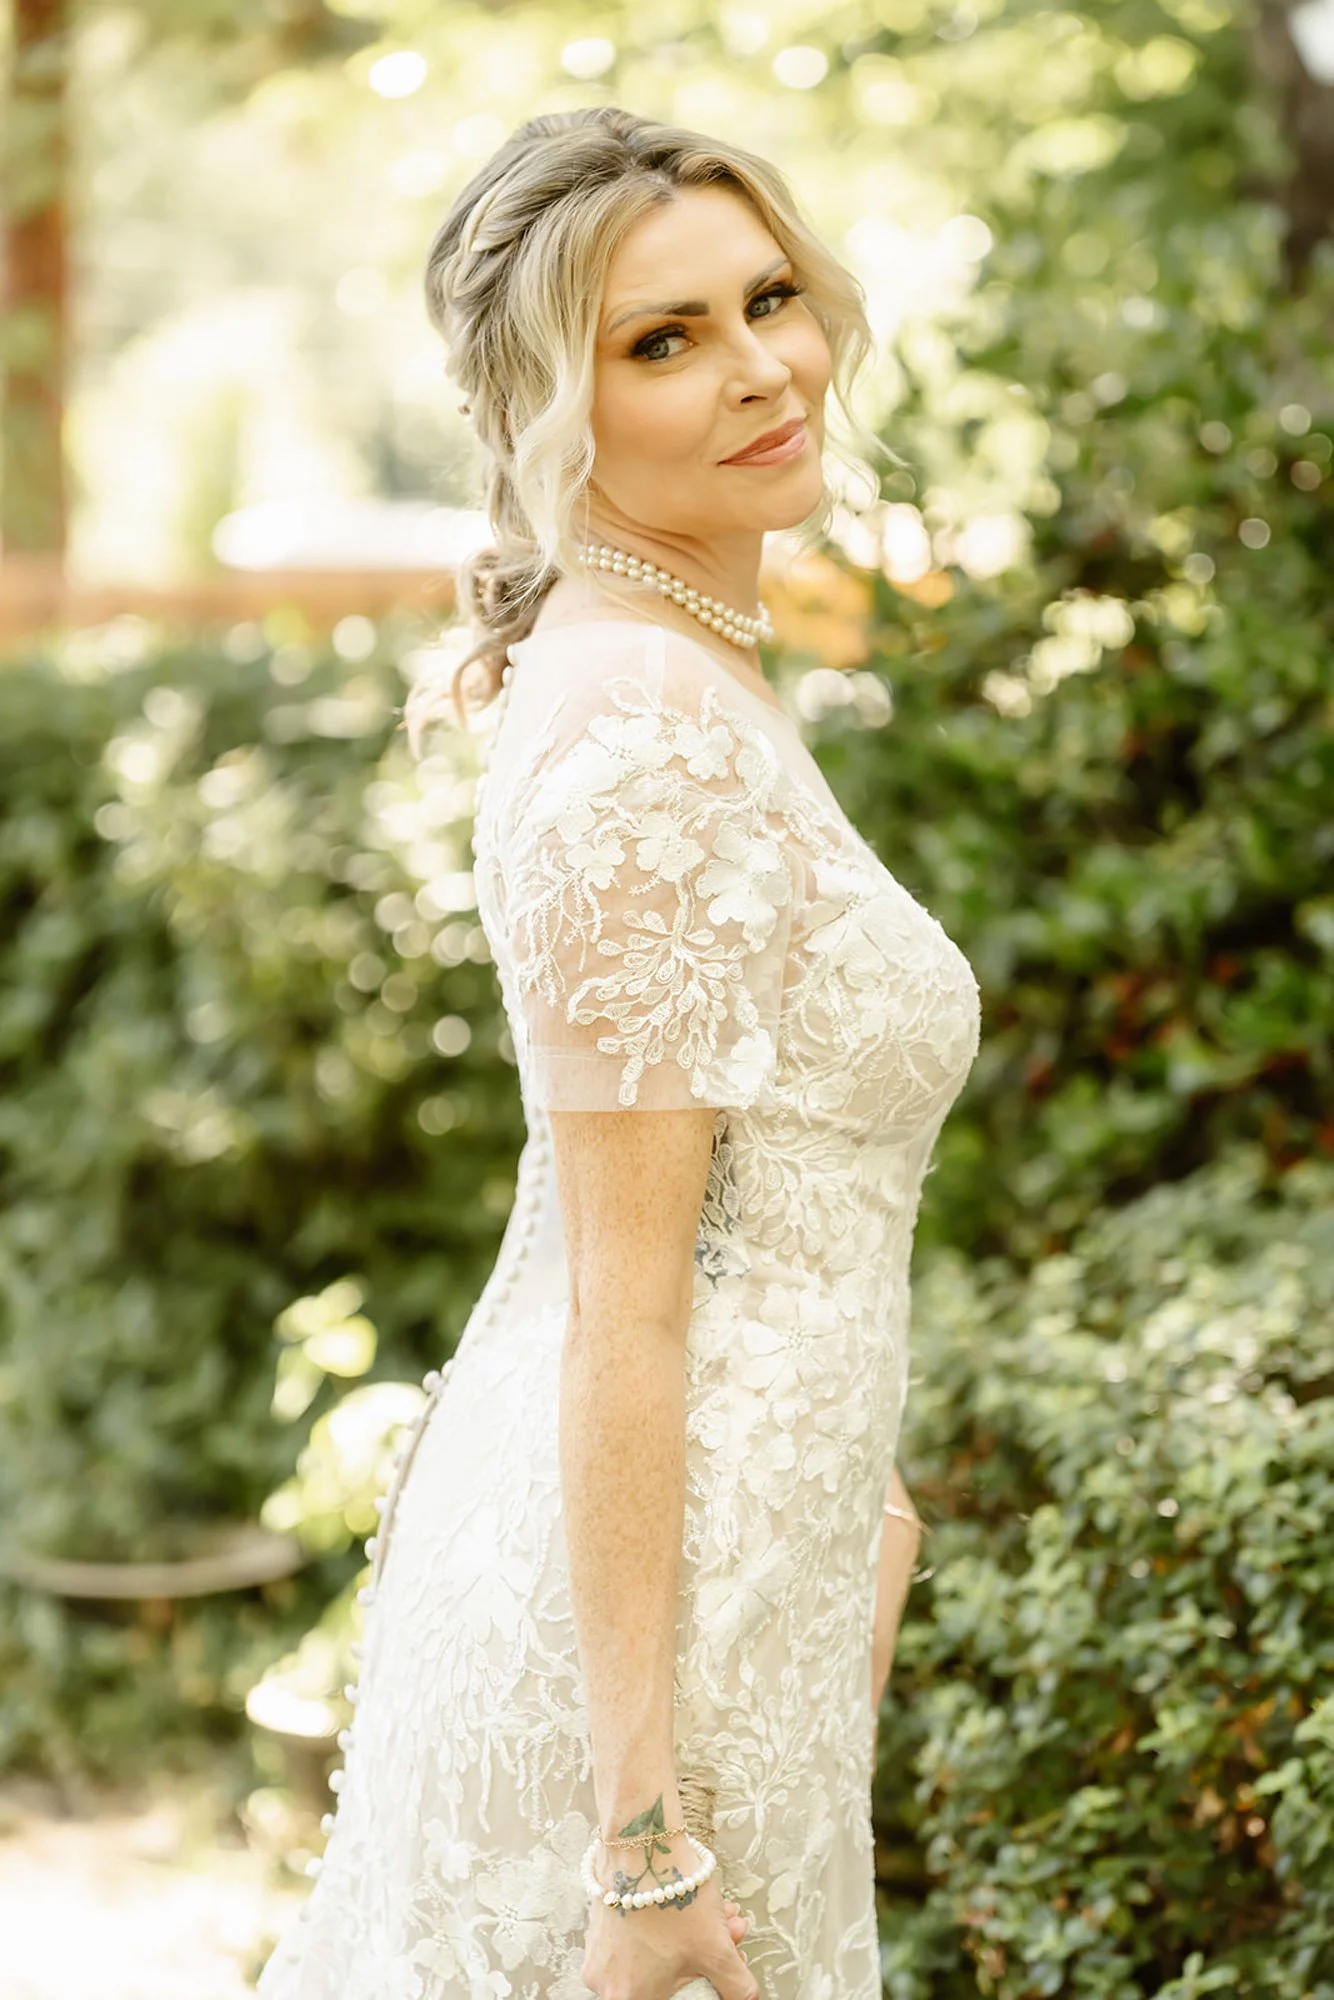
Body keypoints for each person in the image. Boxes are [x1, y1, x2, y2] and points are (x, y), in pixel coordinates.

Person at [256, 105, 980, 2000]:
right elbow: (621, 1300)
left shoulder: (688, 662)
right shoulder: (641, 730)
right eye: (661, 340)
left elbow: (735, 1197)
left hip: (758, 1591)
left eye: (767, 300)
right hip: (652, 1686)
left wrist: (866, 1499)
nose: (759, 369)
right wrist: (642, 1837)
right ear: (539, 407)